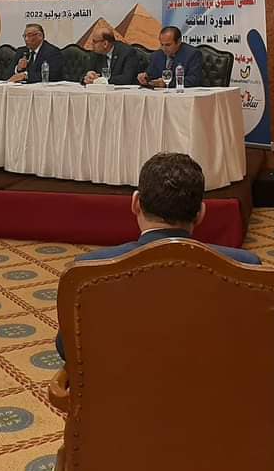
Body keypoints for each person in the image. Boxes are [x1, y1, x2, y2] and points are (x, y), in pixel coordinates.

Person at [54, 152, 260, 358]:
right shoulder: (244, 265)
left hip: (122, 377)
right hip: (214, 376)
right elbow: (260, 340)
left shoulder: (90, 268)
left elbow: (67, 347)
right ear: (201, 213)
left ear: (136, 203)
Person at [137, 25, 204, 88]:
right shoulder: (157, 55)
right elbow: (151, 75)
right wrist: (145, 78)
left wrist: (167, 83)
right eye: (162, 44)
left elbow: (194, 80)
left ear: (178, 42)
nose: (164, 48)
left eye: (168, 45)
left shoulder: (193, 54)